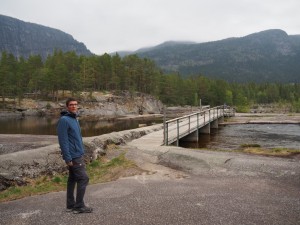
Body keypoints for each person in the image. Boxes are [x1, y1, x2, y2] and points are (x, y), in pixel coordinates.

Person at [57, 98, 93, 214]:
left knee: (72, 179)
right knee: (83, 178)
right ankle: (79, 206)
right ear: (67, 107)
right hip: (73, 155)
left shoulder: (75, 118)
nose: (74, 106)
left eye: (75, 104)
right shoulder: (64, 120)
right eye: (71, 105)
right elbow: (63, 141)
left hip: (77, 153)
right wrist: (67, 158)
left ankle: (70, 205)